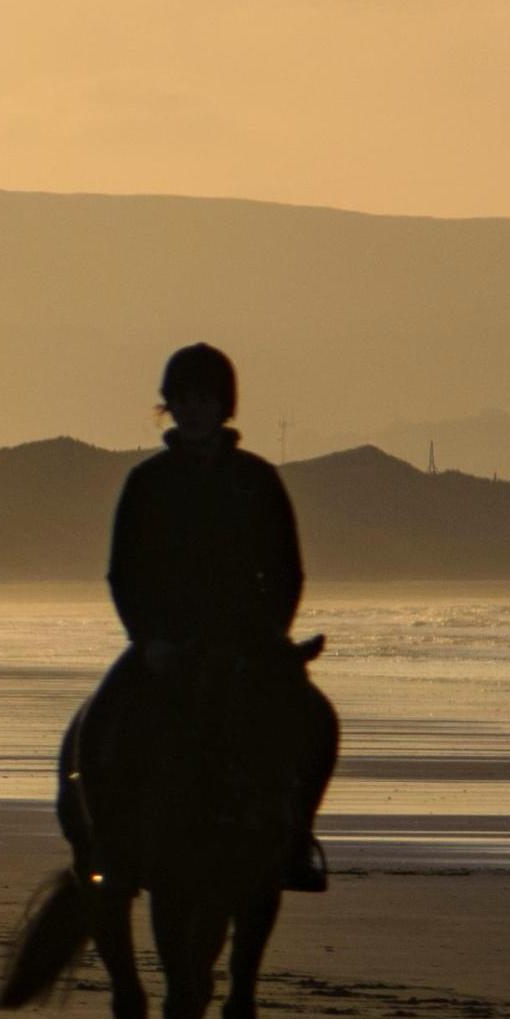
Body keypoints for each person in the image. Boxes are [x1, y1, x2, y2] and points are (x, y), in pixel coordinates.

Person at [78, 342, 338, 889]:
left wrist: (271, 636)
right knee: (103, 721)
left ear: (224, 406)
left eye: (204, 398)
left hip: (247, 642)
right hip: (166, 644)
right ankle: (106, 842)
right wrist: (146, 641)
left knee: (316, 721)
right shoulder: (147, 483)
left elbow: (287, 571)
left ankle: (296, 839)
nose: (194, 409)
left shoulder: (257, 480)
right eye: (183, 399)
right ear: (169, 407)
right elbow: (123, 574)